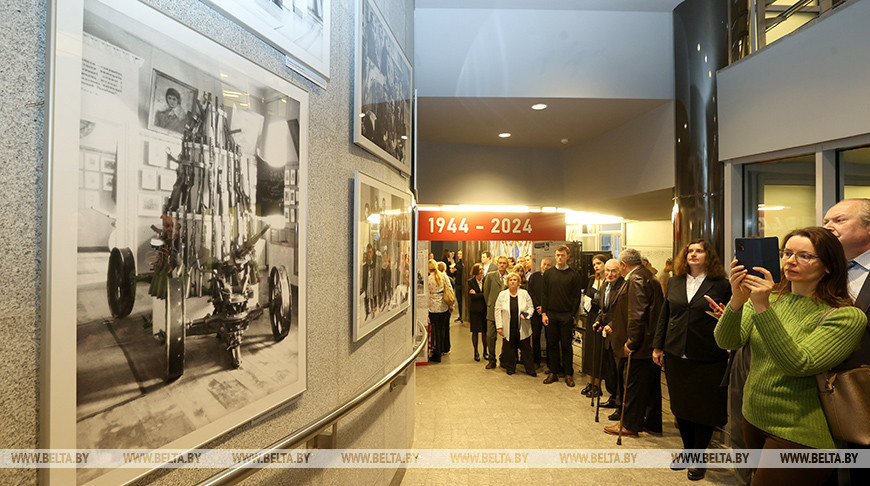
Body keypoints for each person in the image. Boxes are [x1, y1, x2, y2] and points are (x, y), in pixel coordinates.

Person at [714, 227, 866, 486]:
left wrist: (761, 306)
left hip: (799, 432)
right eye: (787, 253)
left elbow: (797, 364)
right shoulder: (772, 296)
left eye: (805, 256)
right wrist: (737, 302)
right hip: (754, 417)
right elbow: (728, 340)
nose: (791, 261)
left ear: (829, 265)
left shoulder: (846, 316)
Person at [652, 240, 730, 481]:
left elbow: (730, 315)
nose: (693, 254)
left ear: (709, 256)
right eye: (690, 252)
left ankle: (698, 456)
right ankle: (687, 451)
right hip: (676, 353)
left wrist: (724, 315)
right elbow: (666, 314)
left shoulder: (722, 284)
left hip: (708, 354)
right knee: (681, 407)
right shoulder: (675, 281)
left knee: (704, 409)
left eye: (699, 251)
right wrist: (658, 345)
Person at [823, 199, 870, 486]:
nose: (828, 227)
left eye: (838, 220)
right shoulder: (822, 272)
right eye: (826, 221)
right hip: (824, 392)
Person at [603, 248, 663, 437]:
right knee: (651, 386)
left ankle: (629, 424)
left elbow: (637, 313)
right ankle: (651, 422)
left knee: (633, 385)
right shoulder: (648, 276)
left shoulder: (635, 279)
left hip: (640, 344)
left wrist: (632, 342)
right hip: (650, 342)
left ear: (623, 265)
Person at [542, 245, 583, 387]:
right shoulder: (548, 274)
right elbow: (544, 295)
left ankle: (568, 374)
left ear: (568, 257)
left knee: (567, 346)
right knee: (552, 345)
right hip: (551, 315)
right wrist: (544, 314)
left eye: (563, 255)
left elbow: (576, 297)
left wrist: (571, 315)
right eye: (558, 255)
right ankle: (553, 372)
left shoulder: (574, 275)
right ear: (555, 256)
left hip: (566, 315)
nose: (560, 257)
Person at [592, 259, 624, 411]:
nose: (610, 274)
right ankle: (612, 397)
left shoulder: (623, 286)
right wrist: (598, 321)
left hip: (618, 333)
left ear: (620, 271)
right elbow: (602, 309)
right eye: (608, 271)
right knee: (609, 368)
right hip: (605, 333)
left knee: (619, 370)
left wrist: (612, 325)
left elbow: (624, 312)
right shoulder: (605, 285)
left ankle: (620, 402)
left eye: (614, 271)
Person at [495, 272, 536, 376]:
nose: (513, 282)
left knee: (526, 349)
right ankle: (510, 368)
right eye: (511, 280)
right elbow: (497, 311)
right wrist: (499, 326)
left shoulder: (524, 293)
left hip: (522, 326)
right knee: (509, 349)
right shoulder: (502, 294)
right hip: (508, 326)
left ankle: (530, 369)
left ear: (518, 282)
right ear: (507, 282)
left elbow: (531, 307)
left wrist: (527, 315)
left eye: (515, 280)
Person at [581, 254, 609, 398]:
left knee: (599, 352)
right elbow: (586, 297)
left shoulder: (609, 281)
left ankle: (598, 384)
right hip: (591, 317)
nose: (596, 266)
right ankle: (591, 382)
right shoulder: (592, 279)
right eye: (594, 264)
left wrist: (592, 301)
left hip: (602, 320)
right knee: (590, 350)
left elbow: (602, 302)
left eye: (599, 263)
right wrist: (590, 301)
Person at [484, 256, 510, 369]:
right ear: (497, 263)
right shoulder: (490, 276)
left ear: (507, 265)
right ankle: (491, 359)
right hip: (492, 310)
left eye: (504, 263)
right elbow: (486, 293)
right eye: (500, 263)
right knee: (490, 336)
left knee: (506, 337)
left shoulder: (510, 277)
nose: (502, 265)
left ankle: (504, 359)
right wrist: (490, 304)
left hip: (506, 311)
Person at [527, 257, 553, 370]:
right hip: (536, 312)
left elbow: (554, 295)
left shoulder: (554, 278)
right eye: (544, 264)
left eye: (548, 265)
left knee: (550, 338)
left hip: (549, 312)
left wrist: (545, 308)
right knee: (536, 337)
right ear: (540, 265)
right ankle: (536, 361)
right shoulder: (534, 277)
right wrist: (538, 306)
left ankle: (550, 363)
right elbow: (530, 293)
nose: (546, 267)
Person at [427, 259, 452, 363]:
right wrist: (451, 304)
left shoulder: (429, 279)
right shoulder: (443, 276)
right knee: (442, 329)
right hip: (444, 306)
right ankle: (442, 349)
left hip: (433, 308)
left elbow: (427, 294)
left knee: (435, 331)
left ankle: (436, 353)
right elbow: (450, 289)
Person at [468, 263, 488, 361]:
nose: (481, 270)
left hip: (485, 310)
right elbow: (472, 296)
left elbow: (487, 295)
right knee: (475, 332)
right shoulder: (470, 282)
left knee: (485, 332)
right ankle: (476, 352)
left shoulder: (486, 281)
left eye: (482, 269)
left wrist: (478, 294)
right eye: (480, 269)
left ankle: (485, 351)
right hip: (475, 310)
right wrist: (482, 295)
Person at [436, 260, 453, 353]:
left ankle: (442, 347)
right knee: (445, 327)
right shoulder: (446, 277)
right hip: (446, 305)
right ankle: (446, 347)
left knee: (441, 328)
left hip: (441, 306)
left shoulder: (439, 278)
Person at [454, 250, 465, 321]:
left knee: (462, 301)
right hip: (457, 284)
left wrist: (455, 266)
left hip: (462, 285)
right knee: (459, 301)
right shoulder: (458, 263)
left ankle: (462, 316)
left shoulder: (463, 263)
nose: (459, 255)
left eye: (460, 254)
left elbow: (461, 269)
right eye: (458, 254)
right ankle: (461, 316)